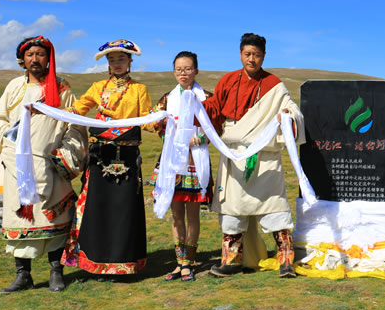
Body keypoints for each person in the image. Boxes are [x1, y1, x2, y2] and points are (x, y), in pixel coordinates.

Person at [202, 33, 304, 279]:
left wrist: (287, 117)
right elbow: (214, 111)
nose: (252, 59)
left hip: (265, 153)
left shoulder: (274, 85)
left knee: (275, 206)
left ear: (264, 56)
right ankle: (231, 261)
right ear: (240, 55)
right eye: (247, 54)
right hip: (233, 152)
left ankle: (285, 261)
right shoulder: (227, 81)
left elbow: (292, 109)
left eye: (256, 55)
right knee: (232, 209)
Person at [0, 36, 87, 293]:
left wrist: (64, 153)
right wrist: (9, 139)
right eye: (30, 54)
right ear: (24, 59)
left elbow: (74, 123)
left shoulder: (61, 88)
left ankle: (56, 272)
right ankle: (23, 275)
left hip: (51, 166)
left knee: (53, 217)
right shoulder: (14, 86)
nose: (35, 59)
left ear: (48, 58)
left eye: (40, 54)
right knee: (20, 219)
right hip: (16, 166)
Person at [61, 40, 153, 277]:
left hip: (128, 156)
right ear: (108, 64)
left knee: (125, 209)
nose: (117, 64)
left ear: (130, 62)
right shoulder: (97, 87)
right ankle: (95, 260)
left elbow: (148, 120)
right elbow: (78, 110)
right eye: (112, 60)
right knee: (98, 206)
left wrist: (166, 119)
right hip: (101, 154)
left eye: (121, 59)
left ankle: (125, 263)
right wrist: (48, 109)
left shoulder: (138, 90)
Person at [149, 51, 213, 282]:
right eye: (178, 69)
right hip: (171, 162)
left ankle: (189, 262)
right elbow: (152, 123)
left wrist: (202, 138)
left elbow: (217, 129)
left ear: (196, 70)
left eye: (187, 69)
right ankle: (180, 262)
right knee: (176, 215)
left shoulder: (206, 98)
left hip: (195, 161)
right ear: (173, 71)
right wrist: (162, 124)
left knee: (193, 215)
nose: (183, 74)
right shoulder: (168, 98)